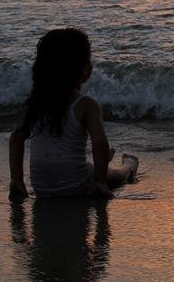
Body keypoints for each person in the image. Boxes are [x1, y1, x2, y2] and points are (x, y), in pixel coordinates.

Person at [8, 28, 138, 201]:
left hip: (41, 188)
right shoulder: (86, 105)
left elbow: (17, 137)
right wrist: (100, 183)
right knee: (116, 175)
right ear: (84, 70)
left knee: (90, 163)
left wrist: (17, 180)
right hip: (77, 185)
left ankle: (103, 161)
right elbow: (99, 142)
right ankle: (130, 163)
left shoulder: (36, 104)